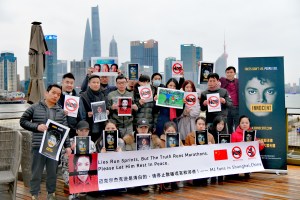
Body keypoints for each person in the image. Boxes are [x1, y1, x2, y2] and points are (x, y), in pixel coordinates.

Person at [20, 84, 72, 200]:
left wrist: (67, 146)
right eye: (53, 93)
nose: (56, 96)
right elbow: (23, 121)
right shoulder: (34, 107)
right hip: (38, 145)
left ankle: (51, 193)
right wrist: (37, 127)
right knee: (36, 172)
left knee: (52, 172)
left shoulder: (61, 111)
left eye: (58, 95)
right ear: (46, 93)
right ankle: (34, 194)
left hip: (54, 147)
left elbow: (65, 130)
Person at [61, 120, 96, 199]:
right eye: (81, 130)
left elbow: (93, 163)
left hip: (85, 170)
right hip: (71, 169)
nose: (83, 133)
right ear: (76, 131)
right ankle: (72, 192)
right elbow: (62, 160)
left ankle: (83, 191)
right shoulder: (69, 142)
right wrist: (70, 150)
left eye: (86, 131)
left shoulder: (91, 143)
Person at [185, 117, 215, 185]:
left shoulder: (210, 136)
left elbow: (214, 152)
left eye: (203, 124)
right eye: (199, 124)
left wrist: (211, 147)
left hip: (205, 162)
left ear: (205, 125)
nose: (201, 126)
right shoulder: (189, 136)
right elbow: (184, 150)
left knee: (203, 181)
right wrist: (190, 148)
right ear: (195, 124)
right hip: (193, 161)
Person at [78, 75, 108, 142]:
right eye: (94, 82)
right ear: (89, 83)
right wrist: (87, 114)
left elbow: (107, 107)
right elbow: (79, 113)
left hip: (101, 126)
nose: (96, 84)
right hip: (88, 126)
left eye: (98, 82)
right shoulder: (82, 96)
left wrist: (108, 111)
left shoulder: (103, 95)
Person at [58, 72, 78, 138]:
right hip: (58, 129)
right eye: (67, 82)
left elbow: (82, 115)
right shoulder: (55, 97)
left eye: (71, 83)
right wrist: (61, 112)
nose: (69, 85)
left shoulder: (78, 98)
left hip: (73, 131)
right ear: (62, 83)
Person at [220, 66, 239, 134]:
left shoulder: (238, 81)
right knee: (228, 126)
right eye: (227, 72)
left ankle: (237, 141)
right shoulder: (222, 80)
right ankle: (229, 141)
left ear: (234, 73)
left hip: (236, 107)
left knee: (237, 126)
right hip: (226, 107)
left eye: (231, 72)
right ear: (225, 73)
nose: (229, 74)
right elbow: (212, 79)